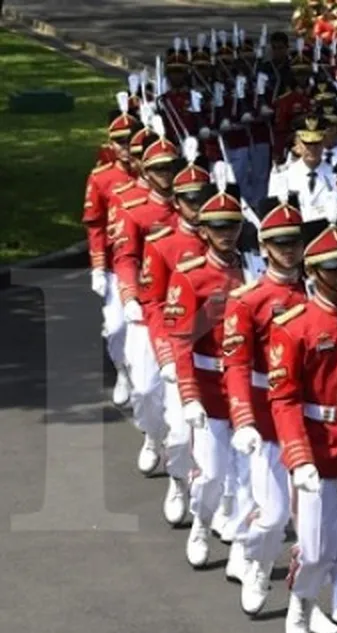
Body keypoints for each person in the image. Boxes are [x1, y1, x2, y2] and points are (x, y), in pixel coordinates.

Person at [268, 216, 337, 633]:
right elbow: (283, 397)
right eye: (331, 267)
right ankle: (302, 598)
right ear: (313, 273)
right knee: (315, 549)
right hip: (315, 446)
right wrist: (298, 456)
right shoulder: (295, 326)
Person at [222, 190, 308, 617]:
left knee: (313, 526)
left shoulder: (322, 292)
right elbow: (235, 364)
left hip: (314, 418)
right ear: (264, 247)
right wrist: (243, 419)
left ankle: (306, 600)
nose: (289, 250)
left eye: (295, 241)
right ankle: (256, 559)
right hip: (270, 416)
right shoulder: (248, 300)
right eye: (279, 242)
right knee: (273, 516)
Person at [161, 178, 247, 570]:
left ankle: (243, 546)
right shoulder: (191, 275)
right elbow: (181, 341)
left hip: (247, 383)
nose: (225, 234)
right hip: (210, 383)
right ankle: (201, 521)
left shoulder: (255, 268)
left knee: (247, 472)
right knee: (211, 471)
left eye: (232, 226)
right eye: (217, 227)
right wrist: (190, 395)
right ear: (205, 231)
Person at [139, 147, 210, 526]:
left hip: (219, 356)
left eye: (203, 198)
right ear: (178, 202)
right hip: (179, 350)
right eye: (189, 199)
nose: (197, 206)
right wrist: (165, 353)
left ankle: (214, 507)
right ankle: (178, 480)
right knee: (181, 435)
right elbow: (152, 304)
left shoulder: (228, 243)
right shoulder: (163, 244)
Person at [110, 134, 180, 478]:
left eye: (172, 167)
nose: (167, 173)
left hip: (186, 313)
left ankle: (183, 460)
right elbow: (125, 258)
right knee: (145, 388)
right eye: (159, 168)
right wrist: (129, 296)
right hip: (147, 308)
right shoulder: (134, 211)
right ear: (146, 170)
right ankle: (152, 436)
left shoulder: (190, 209)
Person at [84, 95, 140, 409]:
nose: (126, 147)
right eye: (119, 142)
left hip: (146, 263)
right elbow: (95, 224)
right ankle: (121, 371)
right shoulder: (101, 178)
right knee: (116, 326)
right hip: (115, 264)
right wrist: (97, 266)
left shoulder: (150, 174)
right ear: (112, 144)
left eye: (130, 141)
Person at [283, 114, 337, 221]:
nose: (312, 149)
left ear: (324, 143)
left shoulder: (336, 176)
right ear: (297, 143)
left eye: (317, 143)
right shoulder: (284, 176)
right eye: (307, 144)